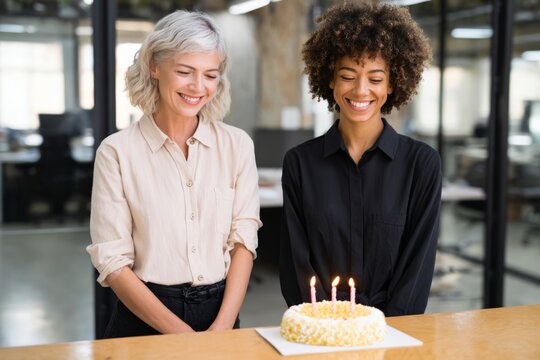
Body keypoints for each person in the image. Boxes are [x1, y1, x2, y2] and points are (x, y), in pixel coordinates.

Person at [87, 10, 262, 338]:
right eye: (185, 72)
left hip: (221, 317)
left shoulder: (237, 146)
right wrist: (185, 339)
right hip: (144, 318)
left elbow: (243, 242)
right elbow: (112, 261)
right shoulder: (116, 153)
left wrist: (222, 327)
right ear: (154, 66)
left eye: (211, 75)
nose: (199, 87)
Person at [279, 1, 441, 316]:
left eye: (376, 78)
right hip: (321, 329)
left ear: (393, 83)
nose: (361, 90)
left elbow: (417, 267)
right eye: (348, 75)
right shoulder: (299, 164)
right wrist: (327, 323)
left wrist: (384, 328)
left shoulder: (421, 165)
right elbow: (296, 263)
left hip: (393, 331)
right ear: (330, 79)